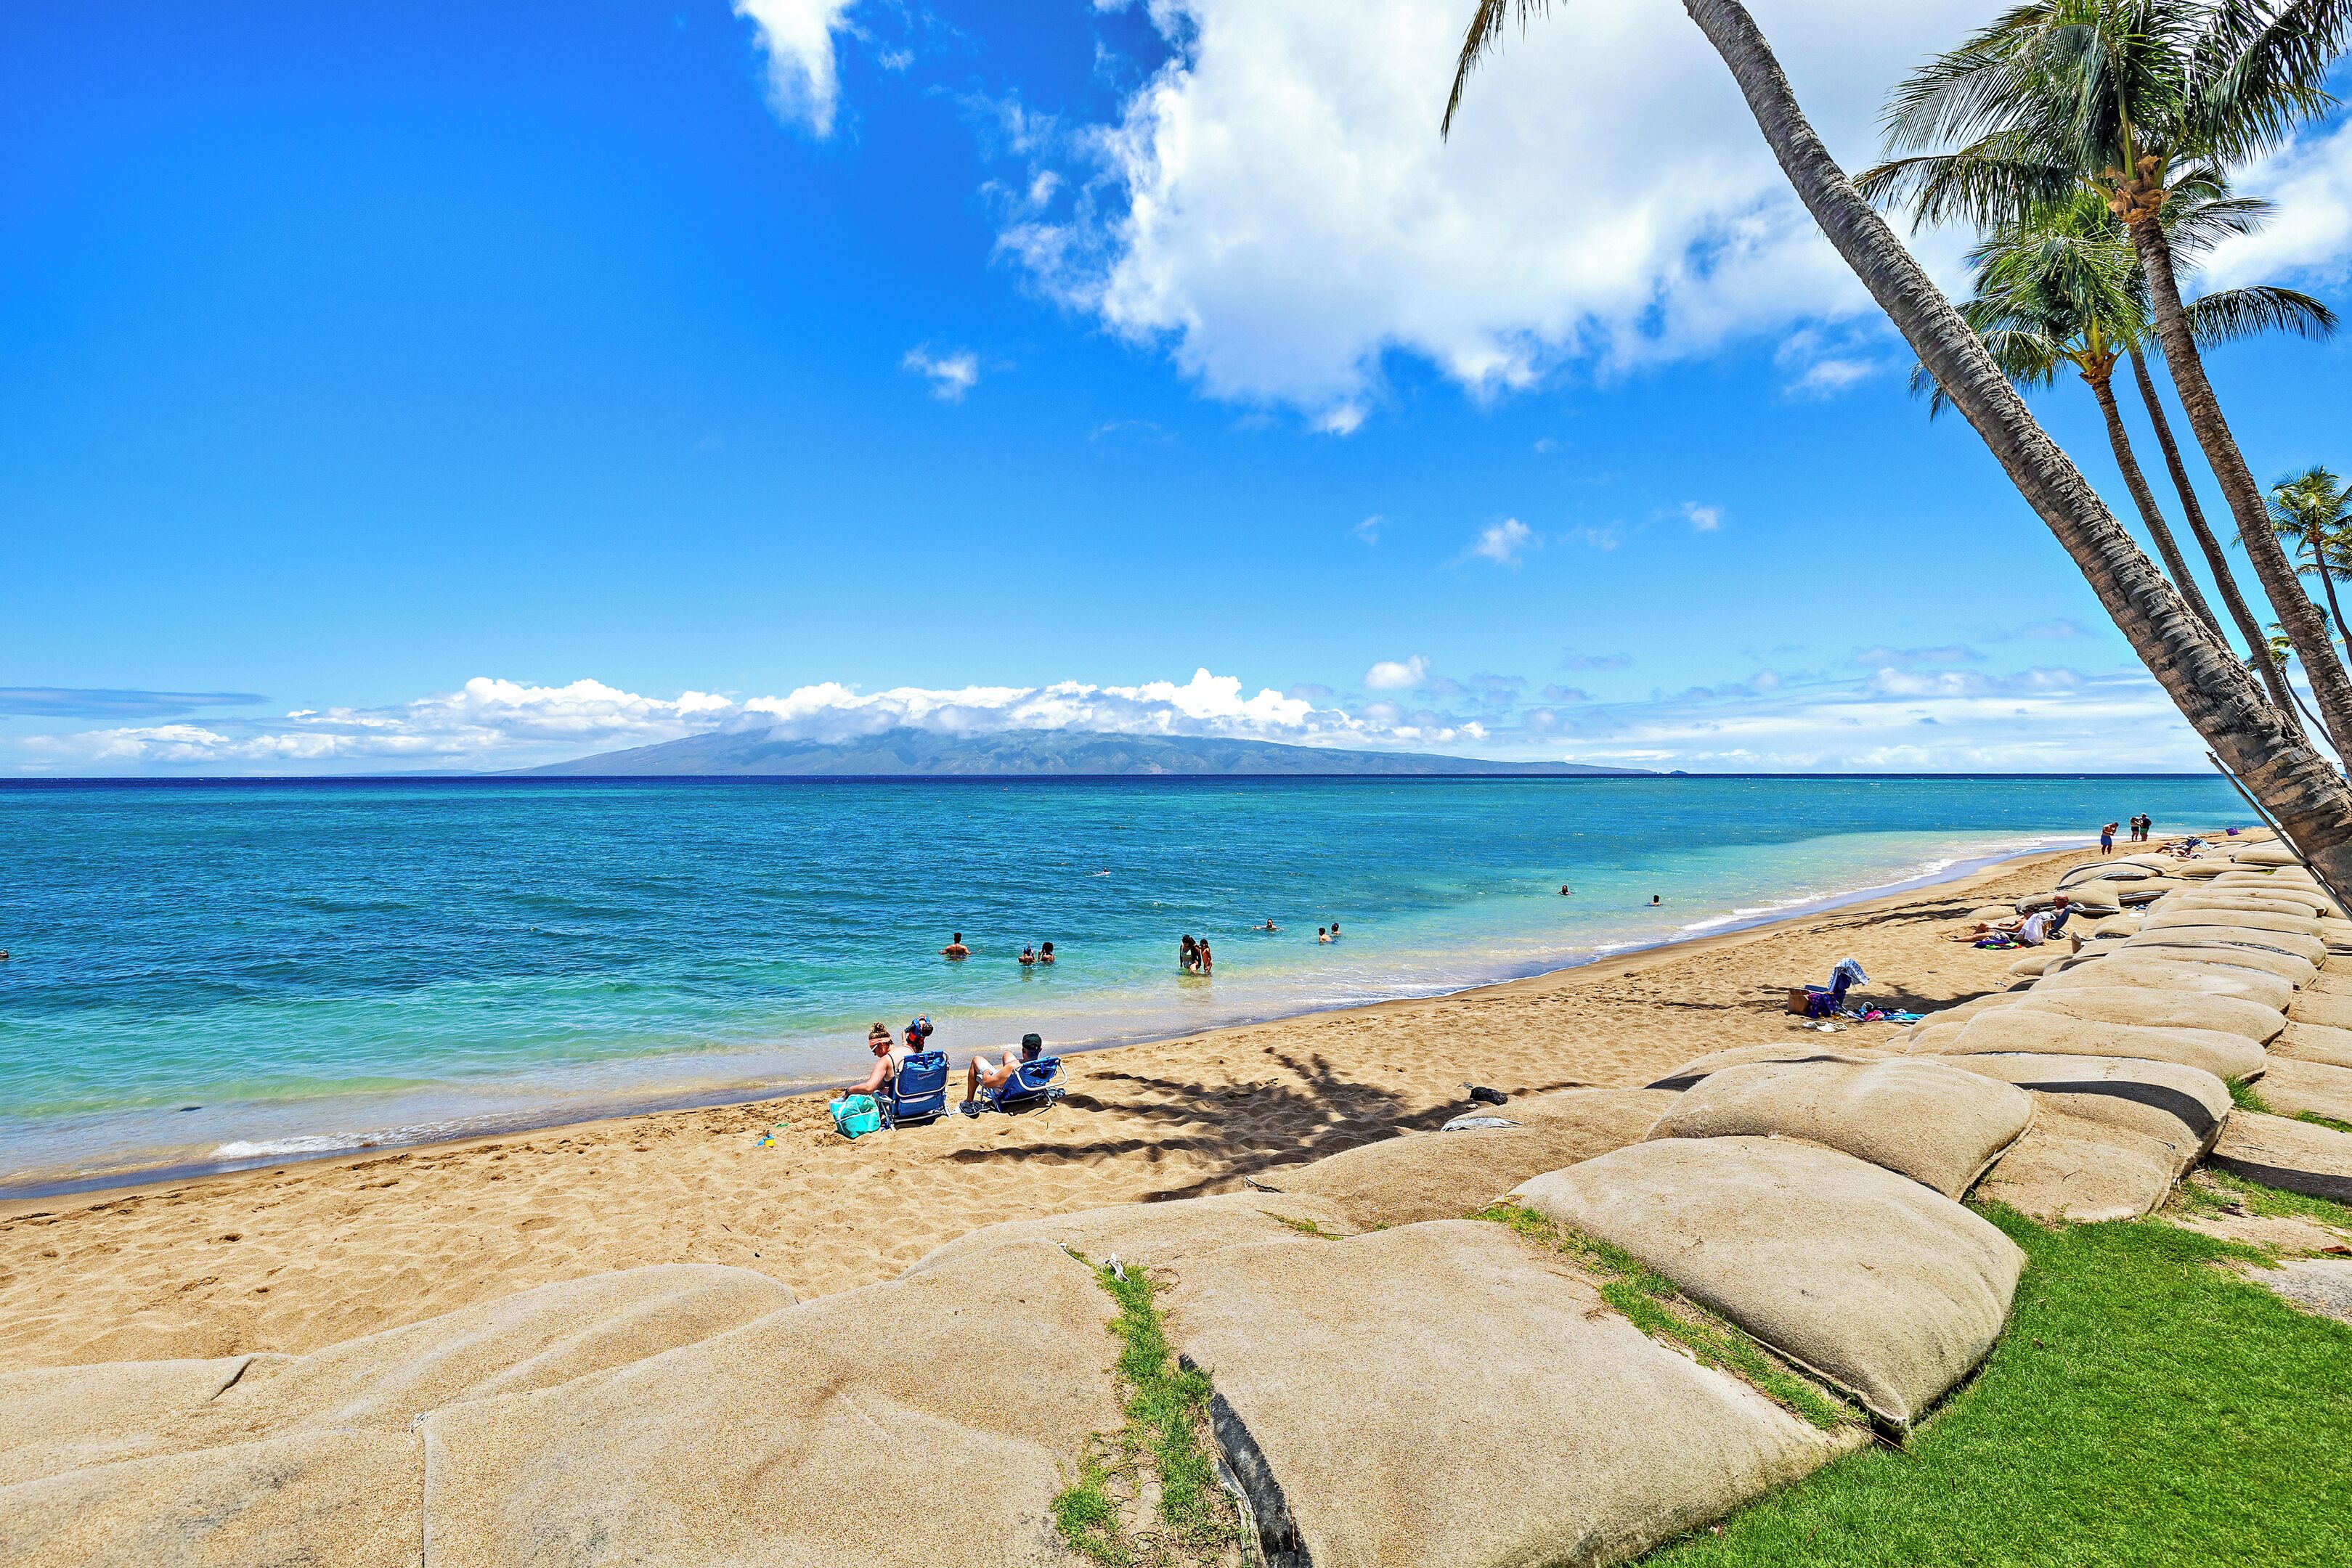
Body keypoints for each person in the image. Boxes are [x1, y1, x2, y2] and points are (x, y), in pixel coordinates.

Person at [963, 1032, 1043, 1111]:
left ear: (1023, 1051)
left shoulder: (1013, 1067)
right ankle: (1004, 1077)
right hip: (1030, 1090)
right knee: (1007, 1054)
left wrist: (986, 1072)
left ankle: (969, 1100)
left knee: (976, 1059)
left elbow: (987, 1083)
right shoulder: (1046, 1065)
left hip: (1011, 1093)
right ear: (1040, 1049)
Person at [850, 1024, 898, 1098]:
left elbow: (869, 1088)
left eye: (874, 1051)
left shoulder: (885, 1060)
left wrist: (849, 1090)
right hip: (917, 1100)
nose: (875, 1055)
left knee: (876, 1093)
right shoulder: (907, 1050)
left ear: (881, 1045)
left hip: (900, 1104)